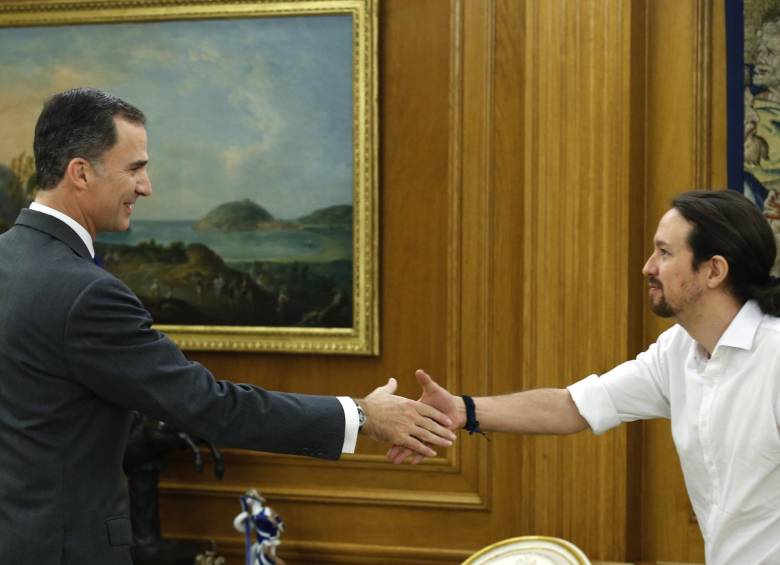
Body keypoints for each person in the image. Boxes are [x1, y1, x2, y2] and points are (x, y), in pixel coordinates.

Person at [0, 88, 456, 564]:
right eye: (134, 169)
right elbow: (208, 406)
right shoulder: (87, 294)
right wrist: (363, 416)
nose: (146, 187)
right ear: (80, 172)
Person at [391, 190, 780, 565]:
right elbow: (572, 406)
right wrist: (462, 410)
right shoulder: (676, 350)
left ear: (714, 270)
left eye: (664, 253)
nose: (648, 267)